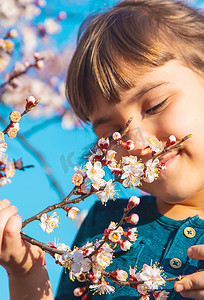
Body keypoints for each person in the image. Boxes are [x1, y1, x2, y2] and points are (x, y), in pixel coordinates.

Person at [1, 0, 204, 299]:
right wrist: (26, 272)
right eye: (113, 134)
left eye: (155, 105)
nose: (136, 142)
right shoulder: (106, 227)